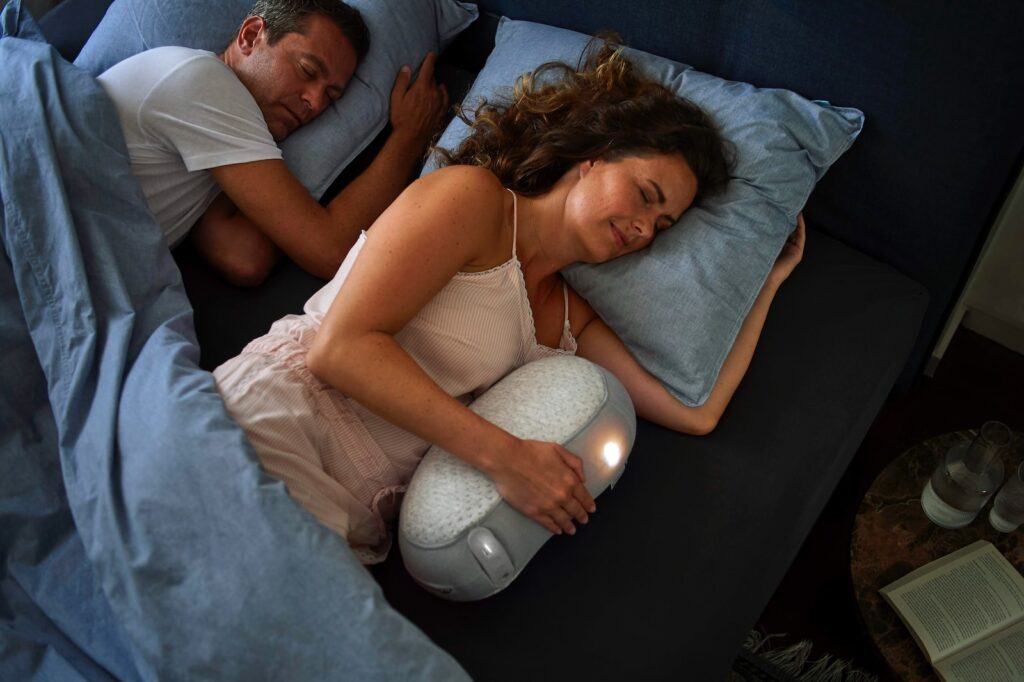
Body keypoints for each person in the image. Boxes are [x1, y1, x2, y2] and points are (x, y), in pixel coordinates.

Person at [212, 42, 805, 563]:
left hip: (357, 510)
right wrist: (507, 458)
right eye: (645, 196)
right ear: (595, 156)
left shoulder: (569, 322)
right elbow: (340, 350)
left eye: (663, 224)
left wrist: (768, 286)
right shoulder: (474, 201)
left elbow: (694, 414)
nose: (645, 229)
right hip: (283, 423)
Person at [97, 0, 448, 286]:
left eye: (331, 96)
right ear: (251, 36)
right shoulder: (203, 83)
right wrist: (409, 136)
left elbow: (243, 256)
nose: (315, 102)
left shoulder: (212, 143)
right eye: (307, 71)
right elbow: (328, 250)